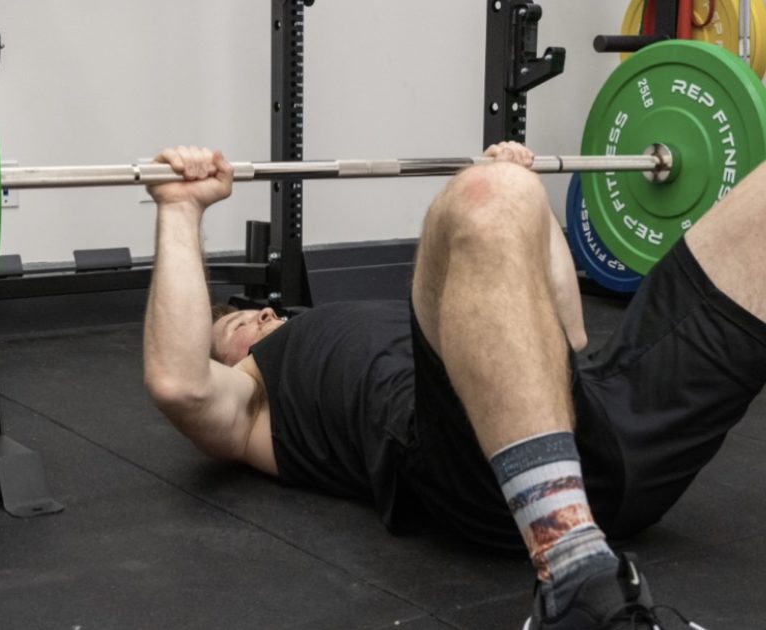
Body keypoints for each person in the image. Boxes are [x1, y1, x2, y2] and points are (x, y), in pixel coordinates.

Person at [142, 142, 759, 629]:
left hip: (597, 420)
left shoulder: (394, 317)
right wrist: (180, 209)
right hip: (478, 473)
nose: (255, 317)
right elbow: (180, 385)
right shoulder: (258, 401)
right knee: (485, 193)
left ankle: (580, 553)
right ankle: (573, 578)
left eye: (257, 312)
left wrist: (529, 211)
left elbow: (567, 338)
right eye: (233, 327)